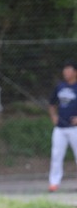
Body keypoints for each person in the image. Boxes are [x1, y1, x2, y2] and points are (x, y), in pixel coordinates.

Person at [47, 60, 77, 192]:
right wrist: (53, 116)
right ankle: (54, 183)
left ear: (75, 72)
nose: (66, 73)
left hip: (75, 129)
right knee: (56, 155)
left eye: (69, 70)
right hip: (60, 128)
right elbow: (52, 104)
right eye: (65, 70)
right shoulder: (60, 87)